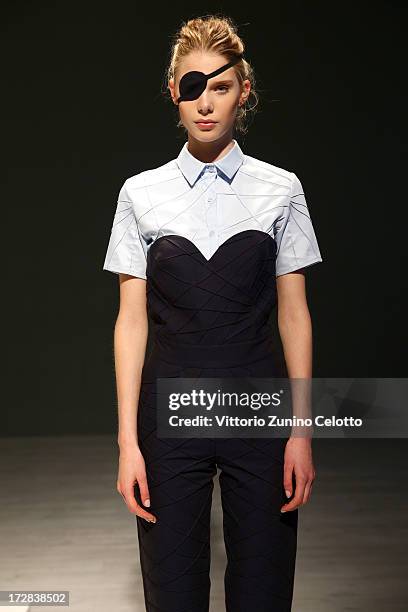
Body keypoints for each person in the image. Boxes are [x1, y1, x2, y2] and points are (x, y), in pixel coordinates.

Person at [102, 14, 323, 612]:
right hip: (168, 416)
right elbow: (131, 320)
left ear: (242, 92)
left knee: (264, 591)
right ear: (174, 92)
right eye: (191, 86)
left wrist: (303, 428)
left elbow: (294, 314)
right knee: (171, 594)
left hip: (260, 413)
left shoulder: (281, 188)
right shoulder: (140, 193)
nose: (205, 103)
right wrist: (127, 441)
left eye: (219, 87)